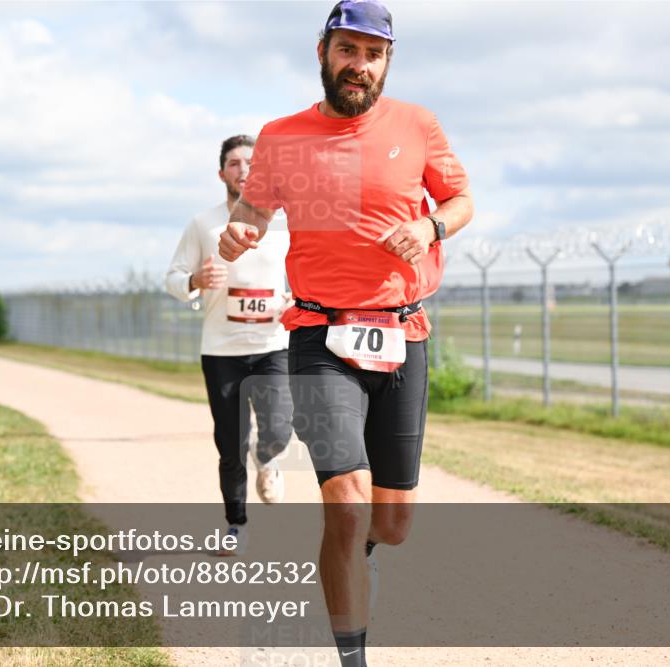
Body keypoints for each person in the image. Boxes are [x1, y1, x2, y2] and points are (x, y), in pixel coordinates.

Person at [219, 2, 474, 664]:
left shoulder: (418, 126)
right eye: (348, 49)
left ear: (387, 61)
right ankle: (352, 654)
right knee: (348, 507)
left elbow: (461, 198)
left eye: (374, 53)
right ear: (323, 51)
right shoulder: (280, 135)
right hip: (319, 335)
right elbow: (256, 205)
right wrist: (242, 225)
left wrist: (430, 227)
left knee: (390, 524)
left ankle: (353, 560)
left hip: (401, 333)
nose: (360, 65)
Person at [166, 134, 294, 556]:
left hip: (273, 342)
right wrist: (195, 282)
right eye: (235, 163)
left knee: (277, 428)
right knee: (230, 442)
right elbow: (174, 278)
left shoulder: (284, 222)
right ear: (222, 173)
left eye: (251, 163)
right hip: (221, 349)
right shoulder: (204, 224)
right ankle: (235, 524)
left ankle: (269, 457)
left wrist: (294, 298)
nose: (244, 169)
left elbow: (303, 274)